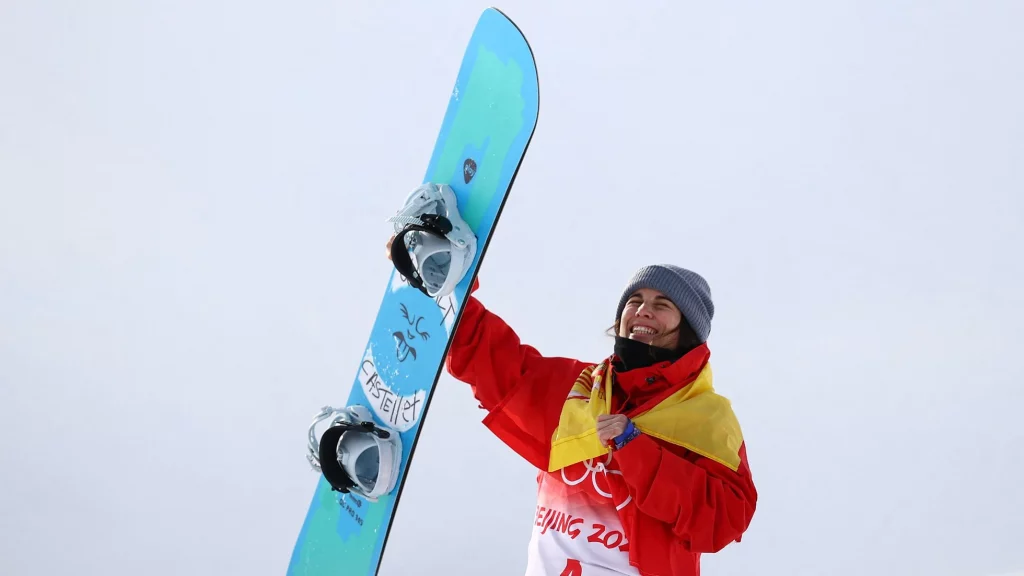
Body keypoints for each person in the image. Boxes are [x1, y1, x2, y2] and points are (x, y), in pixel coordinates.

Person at [387, 239, 757, 575]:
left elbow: (723, 519)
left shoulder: (708, 418)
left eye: (662, 305)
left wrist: (635, 448)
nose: (643, 310)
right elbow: (494, 362)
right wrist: (439, 284)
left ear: (688, 330)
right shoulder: (579, 392)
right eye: (634, 301)